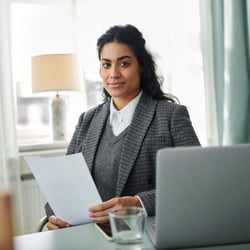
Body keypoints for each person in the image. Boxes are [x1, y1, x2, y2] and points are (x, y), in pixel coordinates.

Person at [46, 24, 200, 230]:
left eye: (124, 64)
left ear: (141, 66)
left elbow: (194, 185)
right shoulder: (87, 120)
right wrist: (56, 216)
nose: (113, 73)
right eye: (106, 64)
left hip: (143, 235)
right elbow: (61, 189)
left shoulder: (171, 116)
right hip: (89, 236)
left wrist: (137, 203)